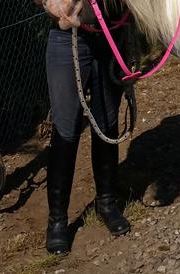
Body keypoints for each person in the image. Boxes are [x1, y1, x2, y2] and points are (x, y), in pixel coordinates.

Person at [43, 22, 131, 255]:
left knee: (107, 120)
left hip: (109, 34)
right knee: (65, 127)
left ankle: (106, 202)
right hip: (67, 37)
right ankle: (57, 220)